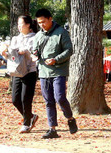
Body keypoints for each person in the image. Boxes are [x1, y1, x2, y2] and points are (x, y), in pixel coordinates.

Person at [32, 8, 77, 140]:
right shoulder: (38, 36)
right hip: (43, 72)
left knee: (60, 98)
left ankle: (70, 118)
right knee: (48, 101)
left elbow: (69, 50)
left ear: (50, 19)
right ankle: (52, 129)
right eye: (39, 23)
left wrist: (56, 59)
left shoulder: (61, 32)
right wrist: (35, 55)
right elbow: (35, 50)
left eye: (44, 22)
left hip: (58, 70)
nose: (42, 25)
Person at [2, 15, 39, 133]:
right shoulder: (15, 39)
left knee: (25, 99)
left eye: (21, 24)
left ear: (28, 25)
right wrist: (4, 53)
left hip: (29, 71)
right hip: (17, 72)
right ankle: (31, 116)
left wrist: (26, 52)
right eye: (18, 25)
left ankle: (26, 124)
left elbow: (35, 55)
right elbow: (12, 56)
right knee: (15, 100)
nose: (19, 27)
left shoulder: (35, 38)